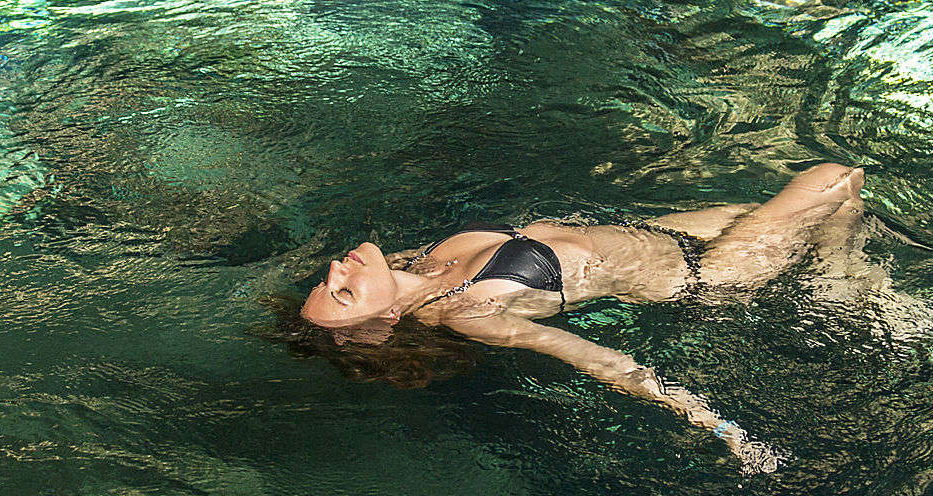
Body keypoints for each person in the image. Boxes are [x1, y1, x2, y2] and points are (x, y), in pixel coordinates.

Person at [297, 163, 872, 472]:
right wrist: (719, 428)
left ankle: (846, 281)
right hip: (705, 274)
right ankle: (849, 288)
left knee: (842, 209)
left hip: (670, 232)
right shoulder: (471, 314)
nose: (336, 270)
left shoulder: (413, 262)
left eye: (328, 282)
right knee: (835, 179)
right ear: (390, 319)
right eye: (342, 293)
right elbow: (599, 361)